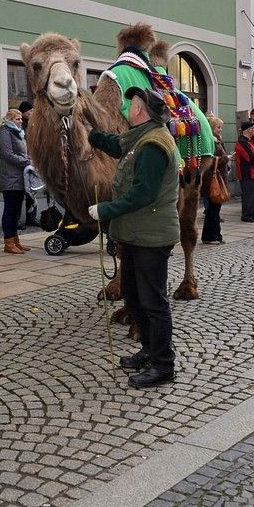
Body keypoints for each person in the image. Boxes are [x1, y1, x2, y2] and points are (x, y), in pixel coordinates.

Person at [87, 87, 179, 388]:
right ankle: (149, 351)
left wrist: (106, 209)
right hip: (136, 234)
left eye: (132, 103)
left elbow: (143, 193)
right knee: (135, 296)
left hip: (151, 236)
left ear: (140, 110)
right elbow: (117, 145)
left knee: (153, 302)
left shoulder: (153, 144)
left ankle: (163, 364)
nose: (128, 107)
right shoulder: (140, 136)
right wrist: (89, 133)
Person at [0, 108, 32, 254]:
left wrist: (29, 160)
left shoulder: (19, 132)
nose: (21, 121)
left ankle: (15, 241)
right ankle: (8, 243)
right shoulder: (4, 131)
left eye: (21, 119)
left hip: (19, 178)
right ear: (10, 120)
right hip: (10, 178)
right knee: (10, 211)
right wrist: (27, 161)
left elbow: (23, 152)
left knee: (16, 211)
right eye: (18, 119)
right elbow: (7, 154)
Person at [200, 115, 228, 244]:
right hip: (212, 178)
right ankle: (209, 236)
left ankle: (216, 235)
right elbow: (210, 159)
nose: (220, 129)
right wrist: (226, 158)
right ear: (211, 128)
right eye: (218, 127)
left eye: (221, 127)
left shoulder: (217, 140)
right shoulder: (210, 141)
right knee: (213, 210)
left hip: (217, 176)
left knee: (216, 209)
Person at [235, 121, 254, 222]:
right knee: (248, 195)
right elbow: (250, 157)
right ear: (248, 130)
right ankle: (247, 215)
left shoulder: (249, 142)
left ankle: (253, 212)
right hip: (247, 173)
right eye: (253, 128)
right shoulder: (242, 143)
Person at [17, 100, 39, 229]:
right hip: (22, 161)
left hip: (32, 161)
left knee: (32, 190)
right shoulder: (20, 127)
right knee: (19, 192)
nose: (32, 113)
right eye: (30, 111)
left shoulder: (33, 125)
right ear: (24, 112)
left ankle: (32, 217)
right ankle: (17, 219)